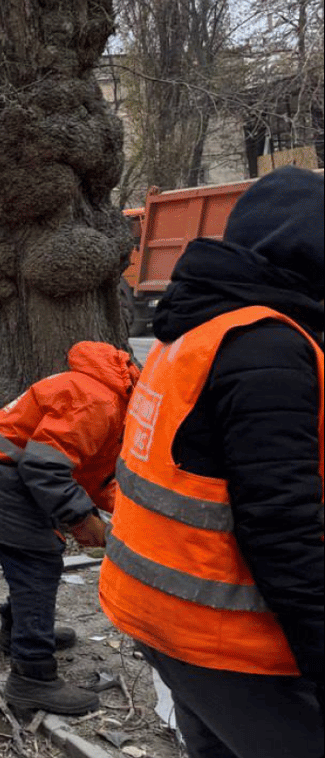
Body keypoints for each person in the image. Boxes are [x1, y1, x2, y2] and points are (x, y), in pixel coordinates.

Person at [99, 166, 324, 757]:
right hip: (224, 635)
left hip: (161, 614)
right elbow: (282, 527)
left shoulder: (196, 333)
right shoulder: (269, 350)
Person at [0, 340, 139, 715]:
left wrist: (133, 516)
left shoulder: (106, 398)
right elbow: (44, 468)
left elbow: (93, 473)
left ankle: (18, 632)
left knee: (32, 560)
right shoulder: (97, 401)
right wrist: (81, 520)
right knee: (38, 562)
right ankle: (31, 678)